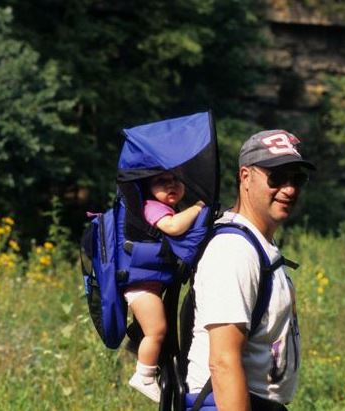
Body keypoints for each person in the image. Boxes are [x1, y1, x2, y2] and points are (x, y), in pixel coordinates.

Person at [186, 130, 315, 410]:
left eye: (297, 179)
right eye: (277, 177)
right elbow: (223, 361)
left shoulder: (258, 245)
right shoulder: (233, 251)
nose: (290, 189)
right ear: (245, 177)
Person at [126, 171, 205, 402]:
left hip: (148, 284)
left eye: (176, 180)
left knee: (157, 329)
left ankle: (142, 354)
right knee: (157, 330)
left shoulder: (163, 206)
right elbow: (173, 227)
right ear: (148, 188)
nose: (171, 185)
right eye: (161, 181)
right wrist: (198, 207)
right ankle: (144, 375)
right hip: (140, 287)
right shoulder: (152, 207)